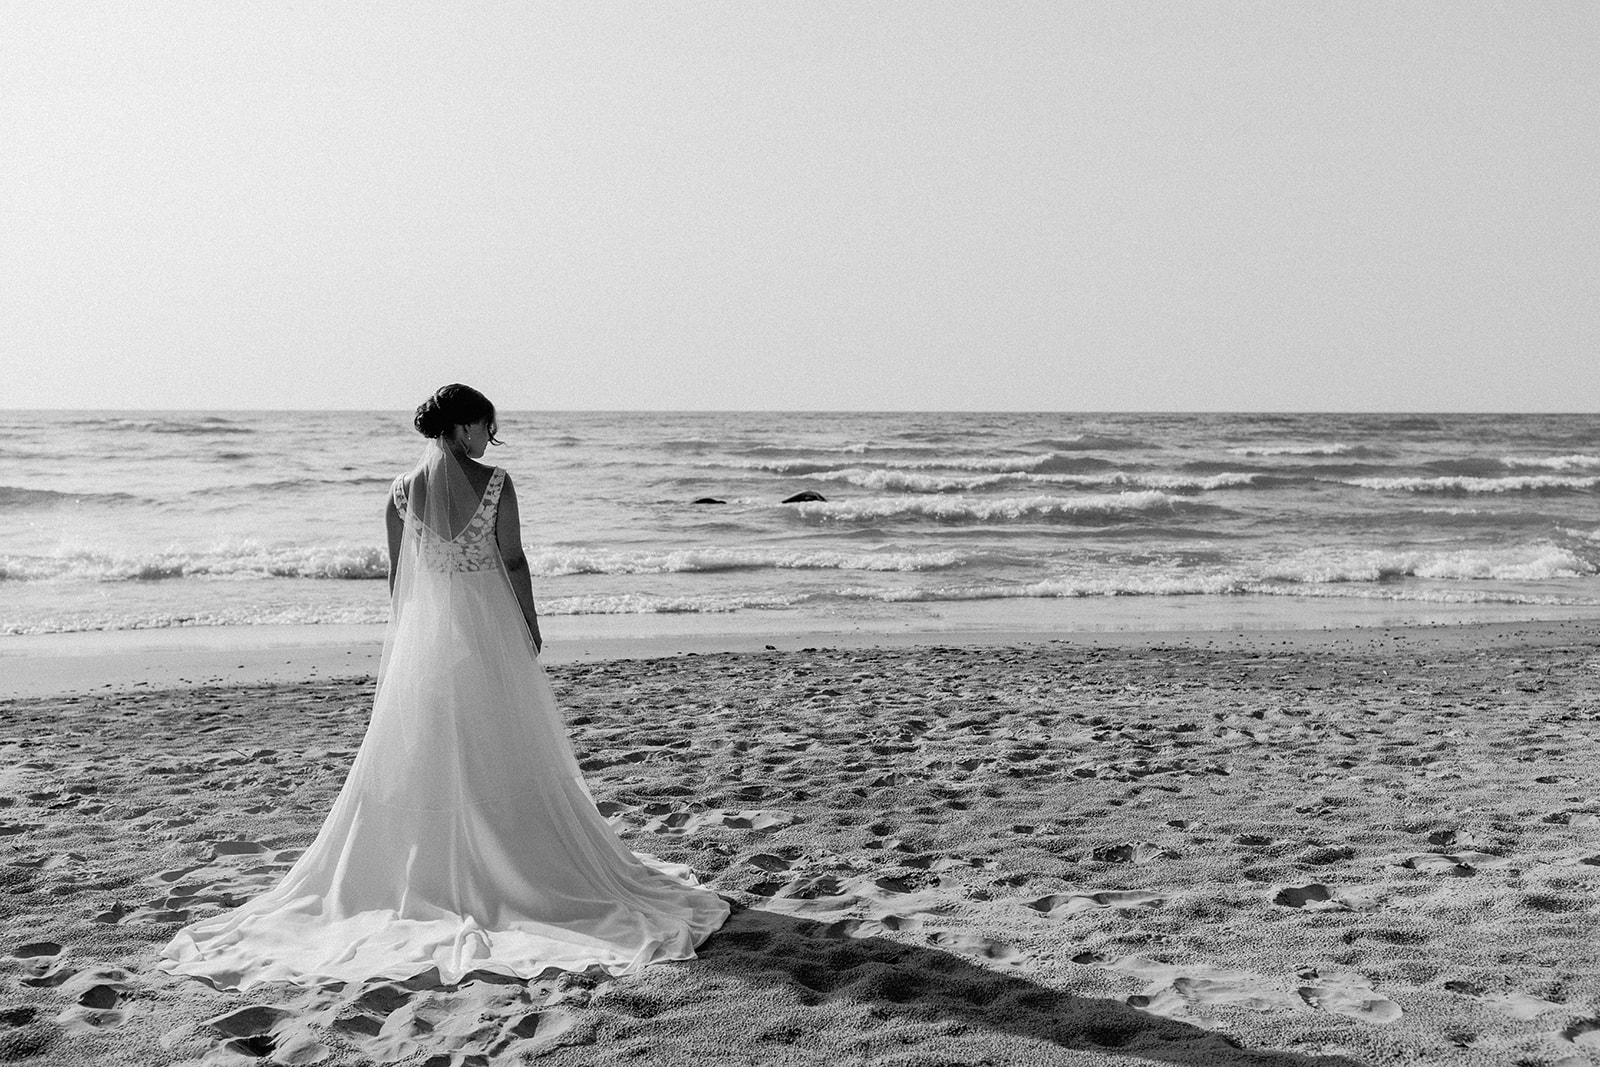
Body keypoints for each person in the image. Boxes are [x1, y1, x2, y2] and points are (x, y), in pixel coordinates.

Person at [160, 384, 729, 990]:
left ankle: (432, 869)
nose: (490, 436)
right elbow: (512, 561)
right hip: (488, 632)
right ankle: (508, 862)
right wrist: (530, 620)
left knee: (432, 750)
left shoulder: (400, 492)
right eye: (486, 425)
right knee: (500, 741)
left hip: (426, 640)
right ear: (463, 428)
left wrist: (409, 638)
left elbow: (398, 577)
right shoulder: (497, 484)